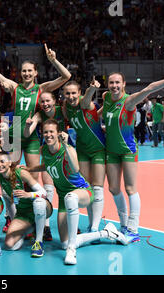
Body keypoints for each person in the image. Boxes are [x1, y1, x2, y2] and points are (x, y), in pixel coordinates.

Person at [26, 119, 128, 264]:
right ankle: (106, 233)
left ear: (58, 133)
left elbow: (75, 169)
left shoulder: (68, 149)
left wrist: (67, 145)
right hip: (63, 197)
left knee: (71, 198)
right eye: (45, 132)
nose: (48, 135)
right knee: (63, 242)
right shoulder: (45, 150)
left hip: (82, 191)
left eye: (51, 132)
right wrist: (30, 169)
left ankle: (72, 250)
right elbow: (47, 165)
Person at [101, 68, 164, 242]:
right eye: (111, 82)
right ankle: (123, 224)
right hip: (111, 150)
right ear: (107, 85)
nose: (114, 85)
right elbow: (103, 113)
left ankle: (133, 228)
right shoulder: (106, 98)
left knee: (130, 188)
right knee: (113, 188)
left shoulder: (129, 101)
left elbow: (149, 88)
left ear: (124, 84)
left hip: (127, 150)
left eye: (118, 82)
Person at [0, 29, 71, 174]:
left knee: (33, 174)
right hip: (14, 135)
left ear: (35, 73)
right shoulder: (15, 87)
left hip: (31, 136)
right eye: (24, 71)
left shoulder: (42, 88)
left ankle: (33, 196)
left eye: (29, 71)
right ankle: (15, 197)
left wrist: (53, 60)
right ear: (20, 73)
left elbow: (66, 76)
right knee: (12, 173)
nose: (26, 73)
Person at [0, 151, 51, 258]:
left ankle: (38, 242)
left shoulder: (21, 173)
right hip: (23, 214)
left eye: (2, 161)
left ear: (9, 162)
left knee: (38, 203)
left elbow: (43, 193)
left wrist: (28, 195)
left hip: (42, 206)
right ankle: (31, 228)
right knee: (9, 245)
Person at [61, 78, 105, 235]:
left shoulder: (84, 102)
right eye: (68, 93)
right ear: (64, 95)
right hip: (82, 150)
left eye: (74, 93)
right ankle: (91, 224)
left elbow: (87, 99)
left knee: (98, 186)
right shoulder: (66, 106)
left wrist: (92, 88)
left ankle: (95, 227)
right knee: (87, 187)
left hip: (98, 148)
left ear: (79, 93)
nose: (71, 96)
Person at [23, 91, 67, 241]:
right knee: (48, 186)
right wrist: (27, 125)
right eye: (42, 102)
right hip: (49, 152)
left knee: (66, 189)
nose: (45, 104)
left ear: (54, 101)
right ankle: (46, 227)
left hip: (66, 152)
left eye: (48, 101)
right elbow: (28, 133)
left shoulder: (63, 110)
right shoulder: (40, 115)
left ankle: (67, 219)